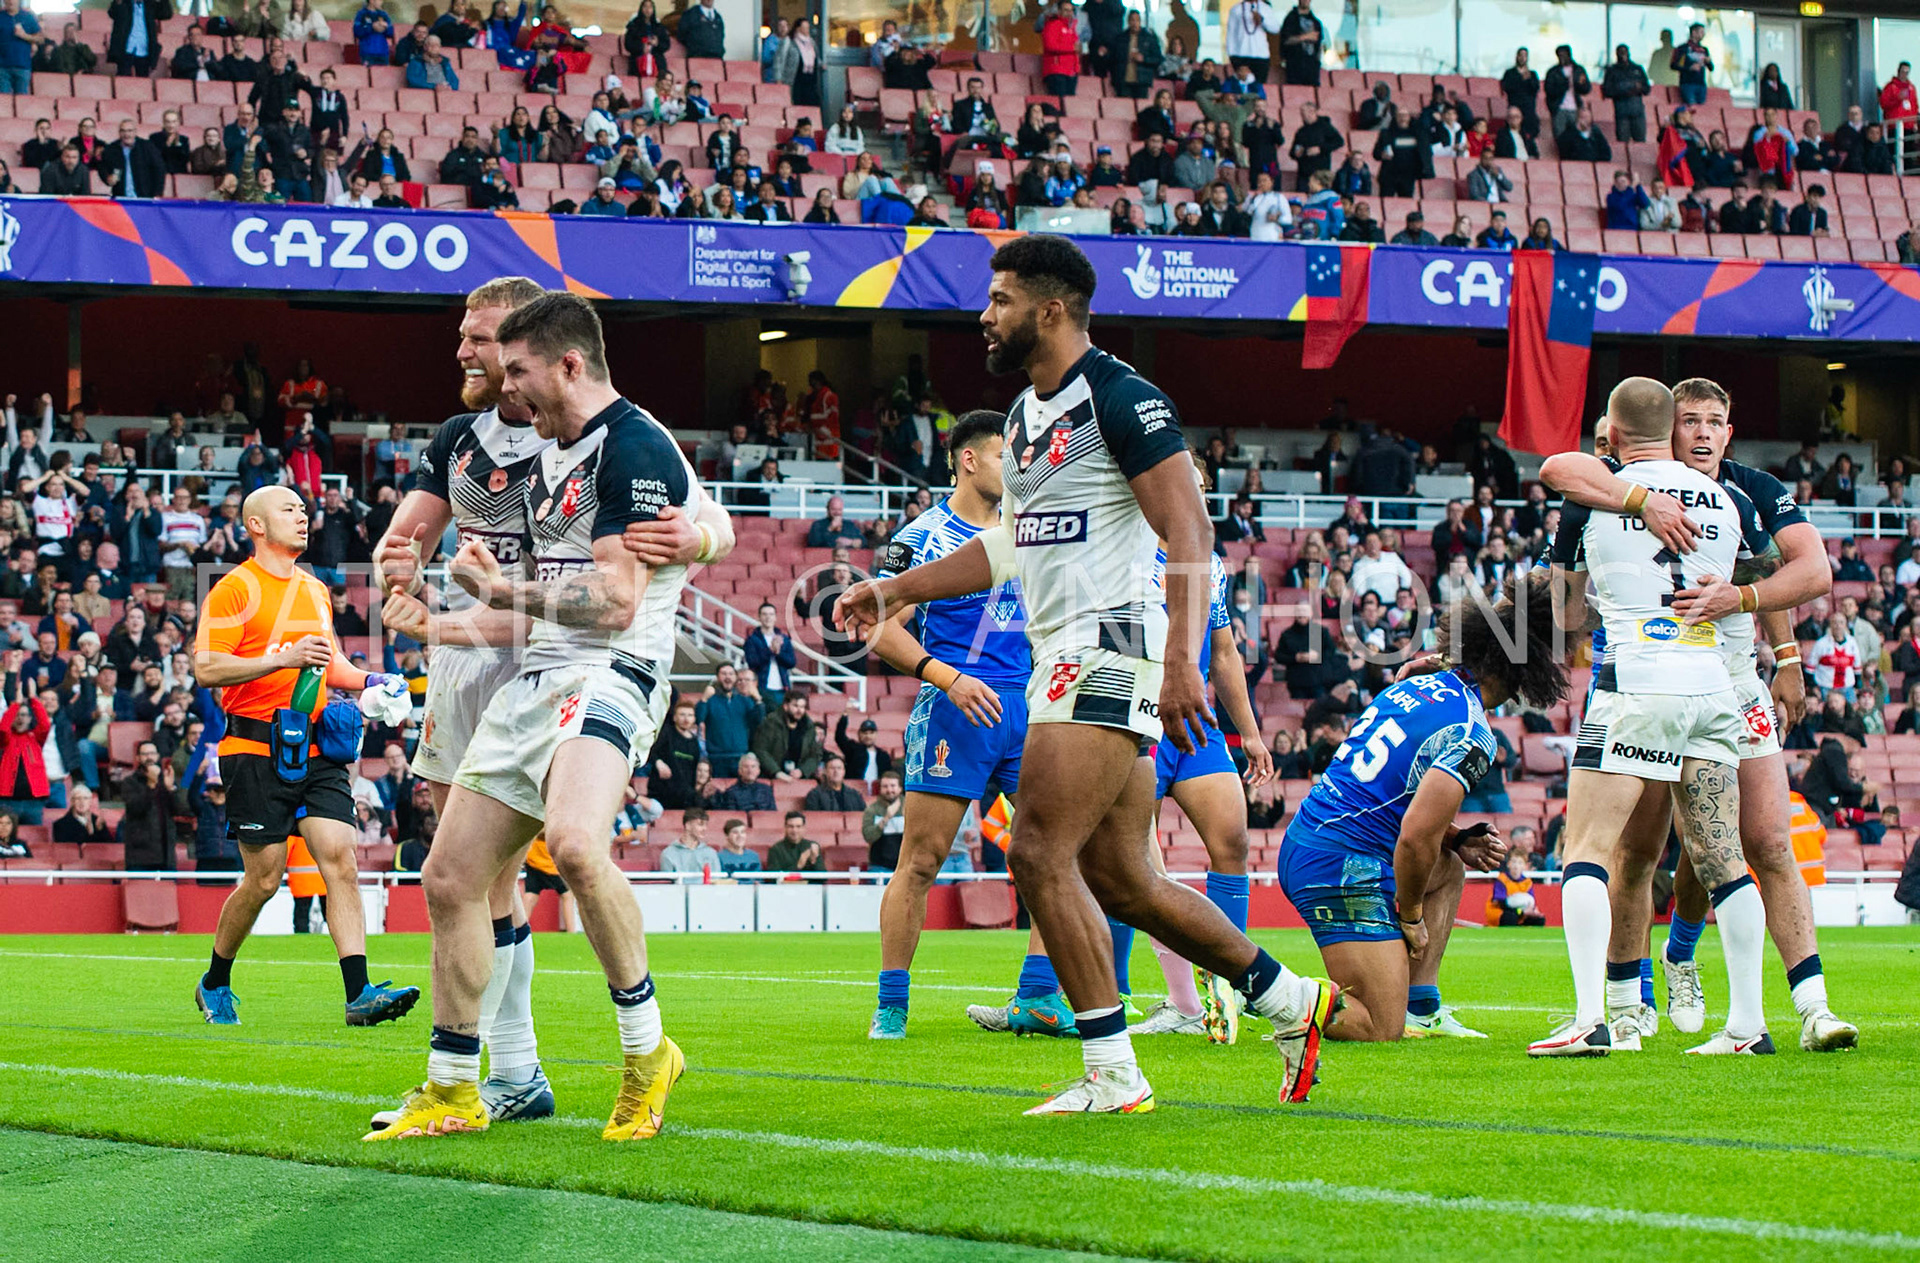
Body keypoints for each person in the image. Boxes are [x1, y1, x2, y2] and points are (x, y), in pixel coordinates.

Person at [836, 236, 1338, 1113]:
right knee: (1123, 878)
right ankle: (1293, 1000)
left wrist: (1180, 659)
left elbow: (1190, 533)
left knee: (1036, 849)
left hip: (1111, 652)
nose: (984, 316)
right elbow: (1007, 546)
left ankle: (1112, 1072)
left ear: (1050, 309)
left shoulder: (1122, 396)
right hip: (1065, 657)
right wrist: (896, 587)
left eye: (999, 300)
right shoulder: (1029, 417)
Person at [367, 291, 712, 1144]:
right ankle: (453, 1087)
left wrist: (500, 588)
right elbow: (533, 612)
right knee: (448, 877)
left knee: (577, 843)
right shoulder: (554, 453)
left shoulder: (630, 445)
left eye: (514, 367)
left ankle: (646, 1054)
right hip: (538, 676)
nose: (501, 381)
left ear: (567, 364)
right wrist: (439, 623)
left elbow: (616, 601)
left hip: (613, 672)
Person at [1540, 377, 1854, 1053]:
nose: (1706, 433)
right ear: (1671, 428)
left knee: (1613, 847)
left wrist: (1775, 638)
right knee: (1674, 852)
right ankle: (1716, 1013)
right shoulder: (1730, 501)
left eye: (1717, 421)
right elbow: (1774, 560)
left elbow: (1555, 498)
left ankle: (1606, 1011)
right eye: (1692, 420)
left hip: (1647, 682)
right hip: (1711, 685)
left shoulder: (1608, 488)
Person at [1282, 573, 1566, 1039]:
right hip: (1342, 863)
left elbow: (1391, 793)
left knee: (1449, 867)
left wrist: (1455, 838)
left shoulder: (1408, 685)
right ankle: (1259, 986)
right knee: (1377, 1026)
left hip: (1315, 840)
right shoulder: (1472, 733)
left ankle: (1422, 1007)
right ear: (1521, 673)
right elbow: (1414, 837)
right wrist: (1410, 916)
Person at [191, 485, 419, 1030]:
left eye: (303, 509)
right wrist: (283, 659)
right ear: (256, 525)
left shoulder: (315, 589)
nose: (302, 516)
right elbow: (207, 669)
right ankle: (215, 979)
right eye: (288, 510)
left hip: (315, 745)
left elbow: (330, 662)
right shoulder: (234, 588)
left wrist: (376, 680)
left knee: (340, 856)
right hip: (251, 746)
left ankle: (359, 993)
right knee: (264, 880)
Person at [859, 409, 1047, 1040]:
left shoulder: (1033, 532)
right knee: (921, 860)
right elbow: (881, 629)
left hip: (1031, 710)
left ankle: (1039, 996)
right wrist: (948, 678)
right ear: (969, 460)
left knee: (1056, 855)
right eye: (1005, 456)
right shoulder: (924, 539)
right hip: (954, 710)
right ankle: (891, 1004)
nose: (1017, 468)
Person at [1130, 471, 1274, 1040]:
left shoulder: (1207, 561)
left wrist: (1253, 733)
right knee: (1131, 863)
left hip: (1194, 721)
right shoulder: (1126, 548)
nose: (1191, 494)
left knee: (1232, 840)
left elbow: (1222, 650)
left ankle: (1231, 989)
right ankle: (1144, 999)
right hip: (1136, 712)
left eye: (1198, 485)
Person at [1603, 44, 1650, 143]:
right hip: (1621, 111)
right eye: (1620, 52)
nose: (1623, 54)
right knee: (1622, 143)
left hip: (1637, 111)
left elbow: (1647, 89)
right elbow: (1607, 91)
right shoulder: (1612, 70)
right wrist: (1624, 90)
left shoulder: (1638, 69)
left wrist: (1639, 88)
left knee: (1640, 142)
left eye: (1625, 52)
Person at [657, 808, 720, 873]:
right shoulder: (668, 853)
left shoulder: (711, 853)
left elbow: (717, 880)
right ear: (688, 825)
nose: (705, 828)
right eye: (700, 824)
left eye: (706, 825)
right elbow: (667, 881)